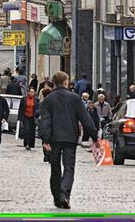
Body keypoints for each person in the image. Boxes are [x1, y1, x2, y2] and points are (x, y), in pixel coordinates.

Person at [40, 71, 99, 209]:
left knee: (55, 168)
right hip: (70, 137)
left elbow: (45, 122)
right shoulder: (75, 98)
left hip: (54, 138)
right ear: (65, 82)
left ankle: (57, 197)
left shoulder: (48, 99)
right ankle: (64, 194)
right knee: (69, 167)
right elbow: (85, 119)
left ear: (54, 83)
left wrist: (45, 140)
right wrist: (95, 136)